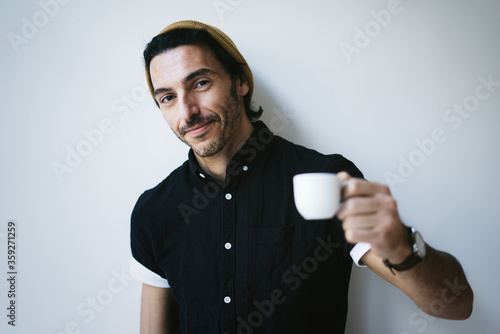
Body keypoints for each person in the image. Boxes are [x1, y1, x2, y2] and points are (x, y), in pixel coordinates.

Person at [130, 20, 473, 334]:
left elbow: (456, 305)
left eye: (200, 83)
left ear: (240, 82)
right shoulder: (154, 211)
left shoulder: (328, 180)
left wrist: (401, 244)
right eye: (168, 97)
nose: (187, 110)